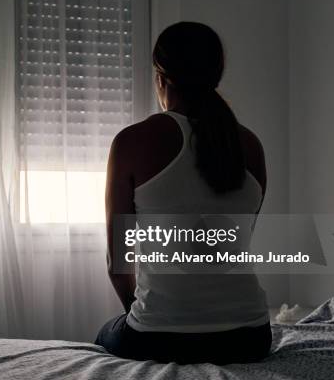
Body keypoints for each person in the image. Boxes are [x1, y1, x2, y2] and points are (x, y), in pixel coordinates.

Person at [95, 22, 271, 364]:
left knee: (105, 334)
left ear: (160, 75)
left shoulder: (132, 141)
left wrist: (147, 314)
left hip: (160, 339)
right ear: (216, 74)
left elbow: (118, 261)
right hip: (250, 338)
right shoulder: (250, 145)